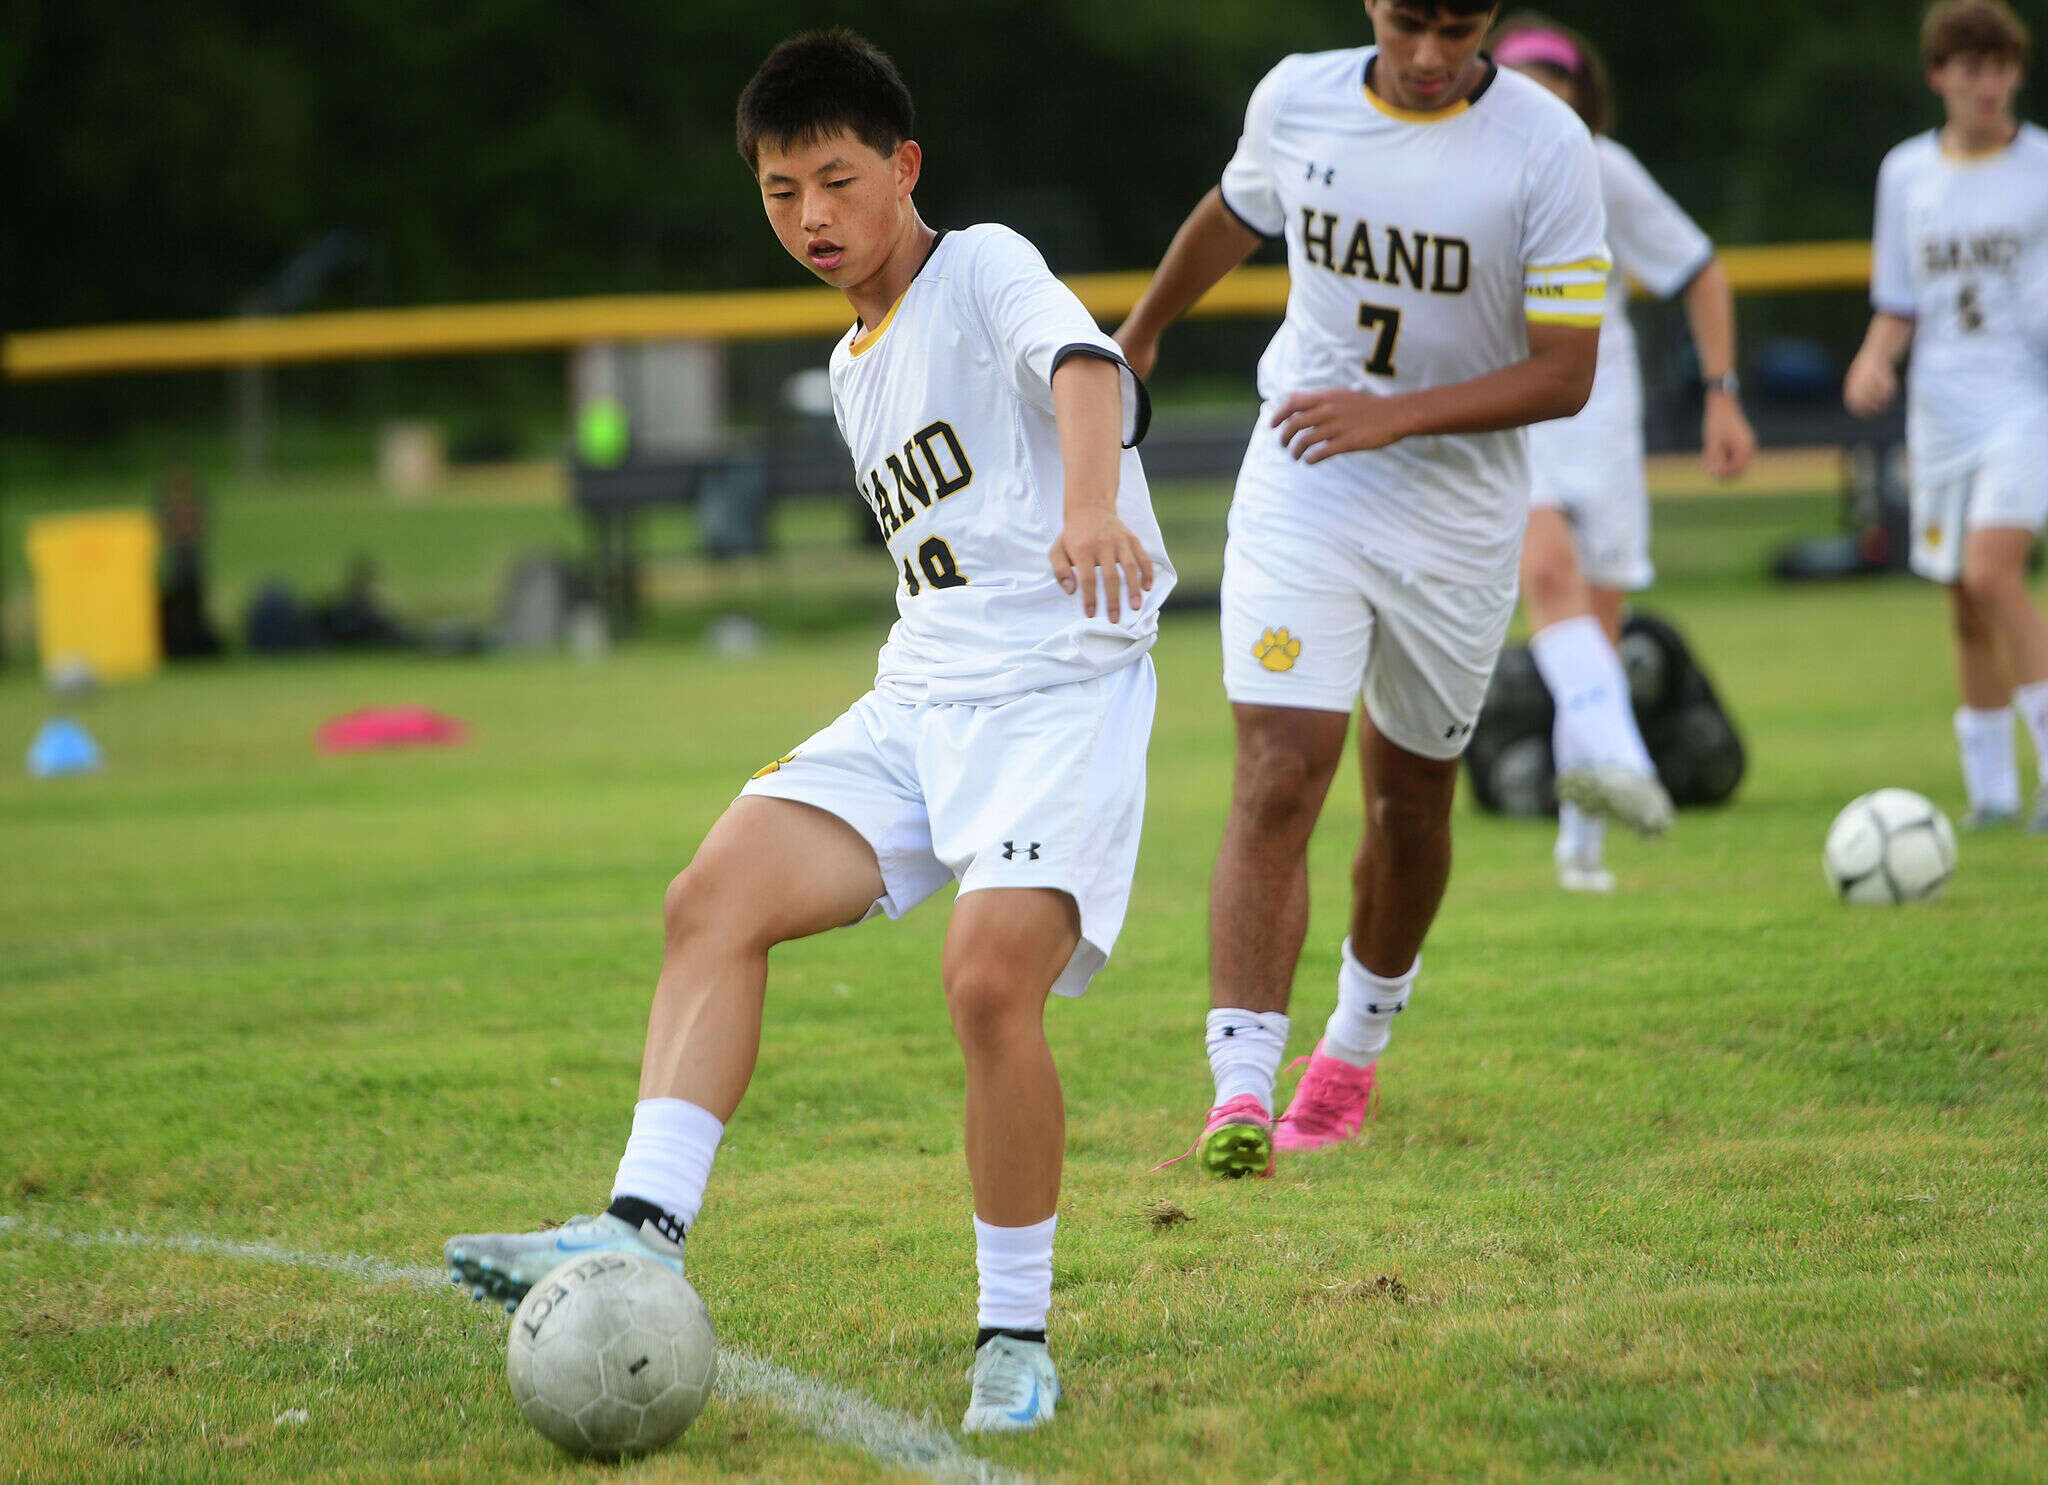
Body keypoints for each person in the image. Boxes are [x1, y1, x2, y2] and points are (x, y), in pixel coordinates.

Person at [446, 29, 1172, 1433]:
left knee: (984, 985)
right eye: (781, 194)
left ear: (905, 167)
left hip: (1058, 699)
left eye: (837, 180)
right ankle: (639, 1227)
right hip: (919, 698)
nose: (814, 219)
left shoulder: (985, 267)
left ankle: (1013, 1337)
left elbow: (1087, 372)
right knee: (710, 897)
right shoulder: (850, 365)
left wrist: (1094, 505)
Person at [1115, 0, 1606, 1176]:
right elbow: (1235, 210)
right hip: (1306, 476)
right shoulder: (1295, 95)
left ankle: (1352, 1045)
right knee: (1279, 766)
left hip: (1454, 518)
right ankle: (1239, 1084)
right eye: (1405, 23)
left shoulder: (1544, 147)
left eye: (1457, 27)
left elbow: (1565, 371)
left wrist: (1392, 418)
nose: (1430, 55)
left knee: (1406, 805)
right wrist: (1138, 332)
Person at [1492, 14, 1759, 892]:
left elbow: (1699, 271)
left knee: (1595, 633)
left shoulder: (1605, 170)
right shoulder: (1465, 172)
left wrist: (1722, 395)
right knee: (1548, 581)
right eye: (1516, 75)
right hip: (1507, 414)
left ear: (1580, 94)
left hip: (1600, 416)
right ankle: (1625, 761)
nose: (1535, 92)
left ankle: (1583, 843)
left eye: (1552, 78)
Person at [1846, 0, 2048, 830]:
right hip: (1941, 411)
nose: (1988, 85)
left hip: (2026, 402)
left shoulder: (2041, 164)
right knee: (1963, 599)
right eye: (1971, 69)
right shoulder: (1906, 173)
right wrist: (1872, 357)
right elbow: (1900, 297)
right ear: (1939, 76)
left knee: (1994, 573)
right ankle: (1994, 794)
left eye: (2001, 67)